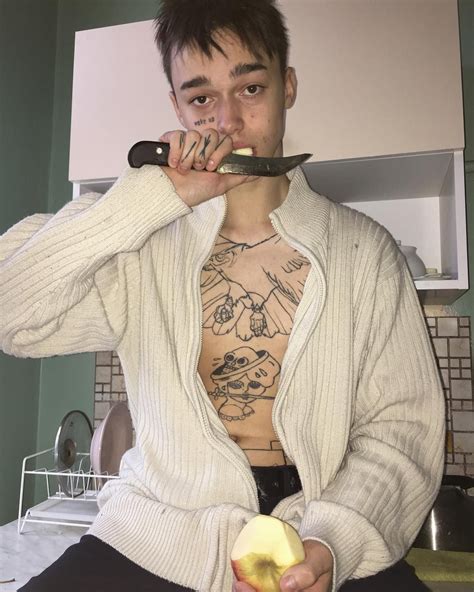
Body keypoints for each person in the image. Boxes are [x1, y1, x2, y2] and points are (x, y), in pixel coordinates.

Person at [0, 0, 445, 591]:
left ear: (287, 87)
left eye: (250, 88)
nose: (228, 121)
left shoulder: (366, 252)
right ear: (177, 107)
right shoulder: (142, 245)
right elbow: (11, 313)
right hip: (155, 536)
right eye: (202, 98)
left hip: (321, 533)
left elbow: (401, 429)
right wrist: (144, 200)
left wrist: (333, 541)